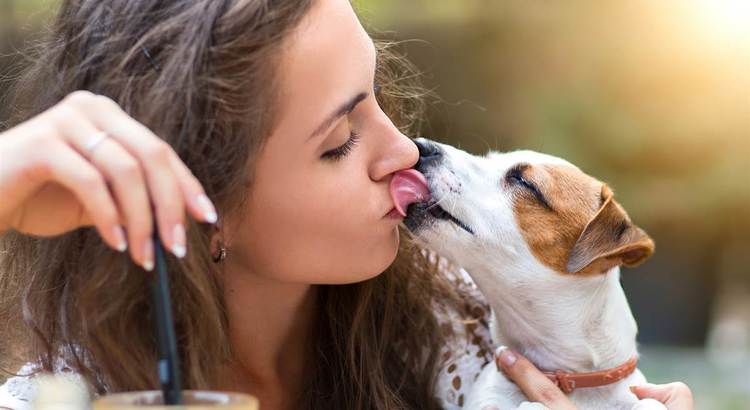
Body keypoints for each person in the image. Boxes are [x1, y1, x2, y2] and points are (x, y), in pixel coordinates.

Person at [0, 0, 693, 409]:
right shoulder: (69, 395)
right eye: (338, 141)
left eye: (379, 98)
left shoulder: (464, 319)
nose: (406, 151)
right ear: (203, 202)